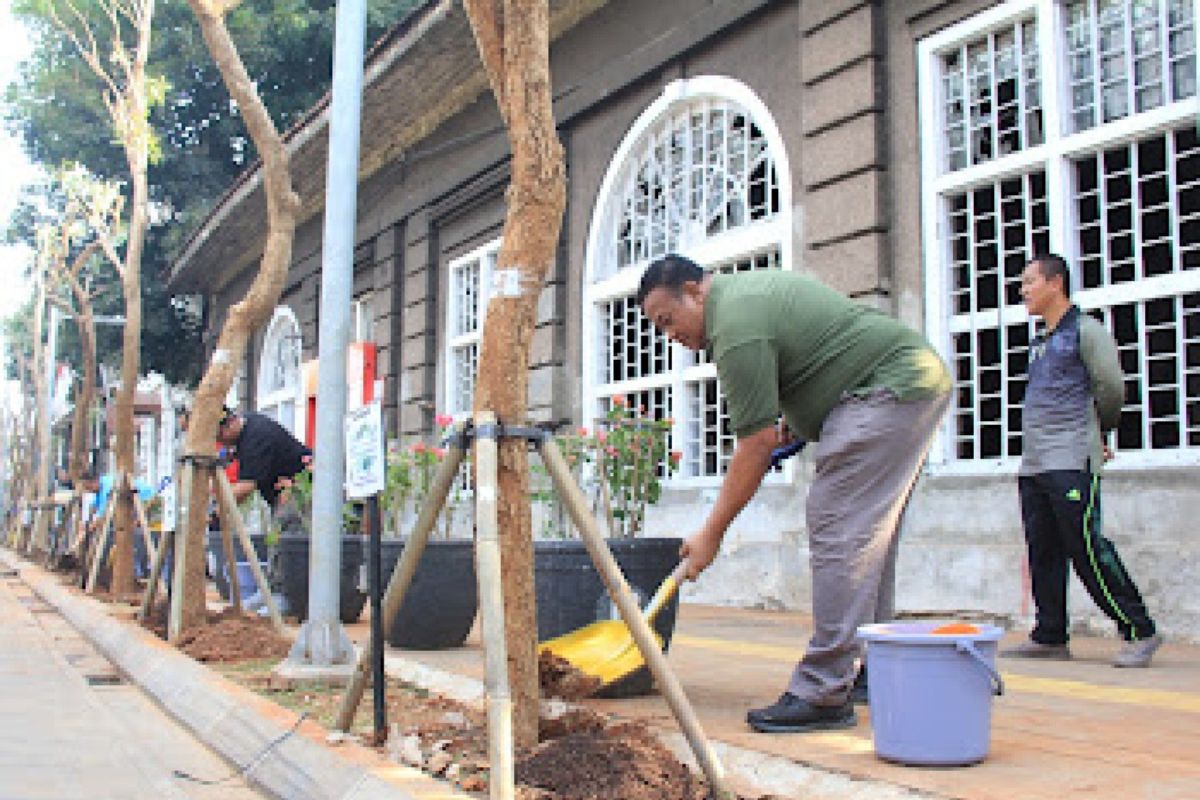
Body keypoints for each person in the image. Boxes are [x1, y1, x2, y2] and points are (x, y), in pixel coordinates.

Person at [636, 254, 951, 732]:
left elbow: (754, 447)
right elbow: (813, 364)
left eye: (668, 320)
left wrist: (711, 534)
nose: (670, 335)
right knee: (866, 540)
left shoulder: (735, 327)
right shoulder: (743, 301)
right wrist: (799, 422)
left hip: (888, 389)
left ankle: (824, 690)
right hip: (907, 383)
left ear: (695, 292)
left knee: (838, 527)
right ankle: (868, 664)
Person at [1002, 254, 1162, 668]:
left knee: (1087, 547)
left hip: (1071, 459)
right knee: (1044, 551)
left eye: (1029, 282)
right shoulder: (1040, 341)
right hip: (1036, 463)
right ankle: (1050, 634)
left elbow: (1111, 387)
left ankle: (1139, 629)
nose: (1023, 291)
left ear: (1055, 283)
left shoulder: (1086, 332)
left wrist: (1099, 432)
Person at [214, 406, 311, 508]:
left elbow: (245, 488)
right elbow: (228, 454)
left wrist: (216, 510)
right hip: (284, 489)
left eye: (219, 435)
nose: (219, 441)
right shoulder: (246, 421)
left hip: (299, 492)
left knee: (290, 519)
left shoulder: (256, 440)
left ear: (231, 423)